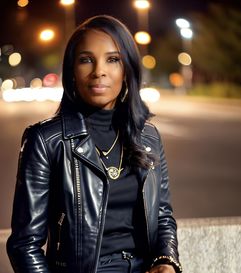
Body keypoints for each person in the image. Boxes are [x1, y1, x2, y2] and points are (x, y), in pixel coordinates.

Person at [7, 15, 182, 273]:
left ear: (127, 70)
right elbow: (25, 246)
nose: (99, 70)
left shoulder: (149, 137)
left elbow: (163, 216)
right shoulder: (46, 140)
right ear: (72, 72)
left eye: (113, 59)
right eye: (86, 59)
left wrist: (166, 260)